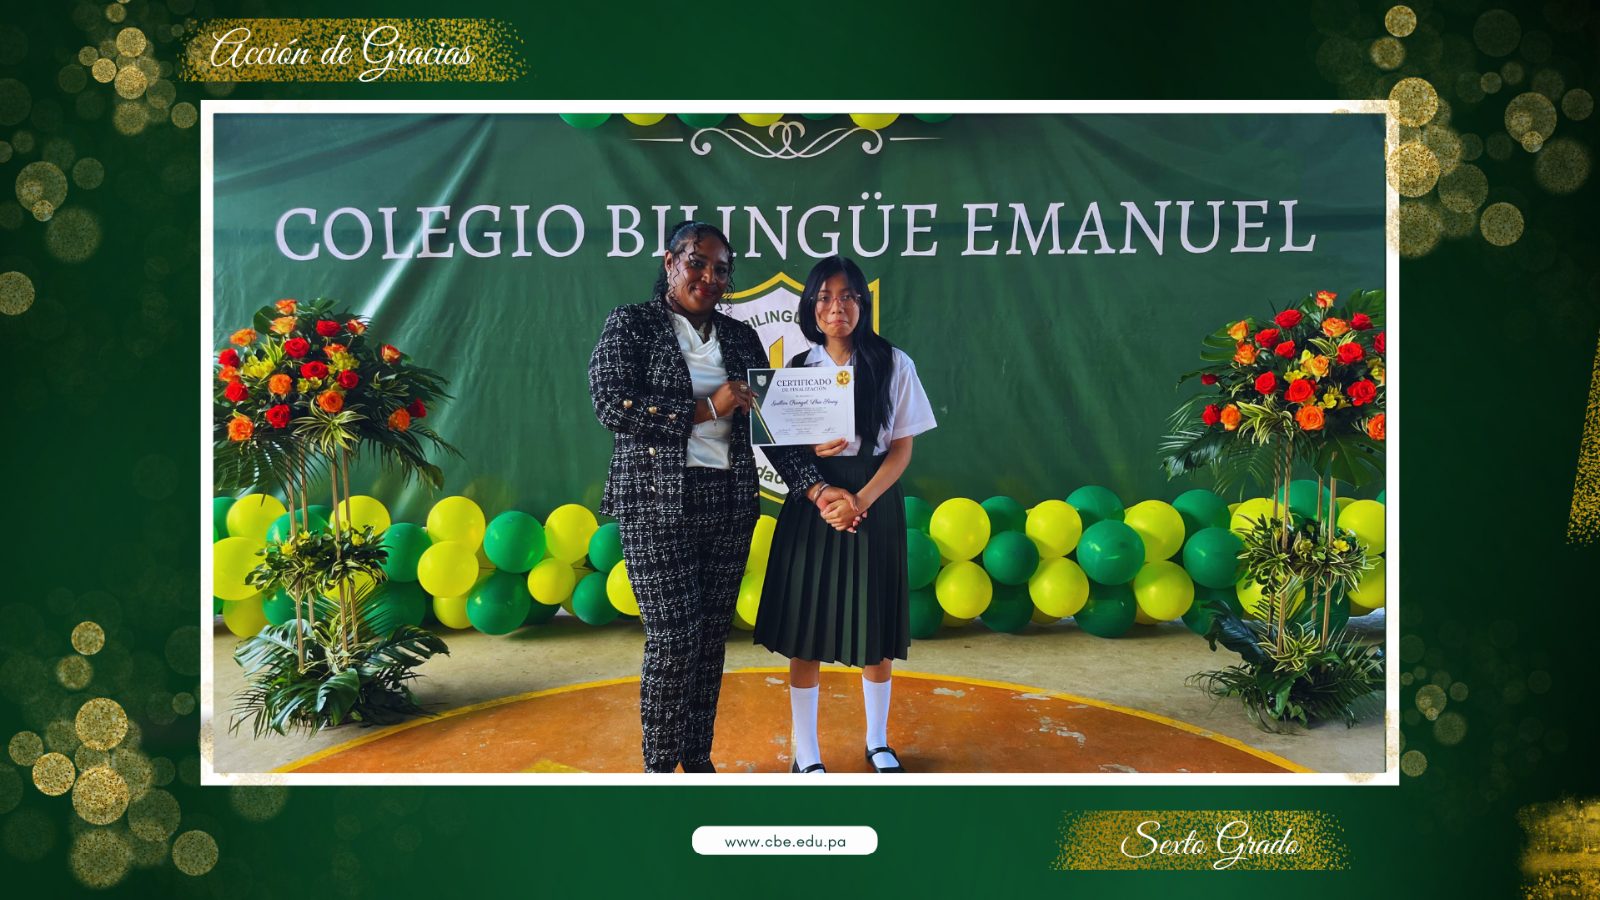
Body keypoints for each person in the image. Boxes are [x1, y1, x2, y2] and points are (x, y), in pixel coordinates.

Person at [588, 221, 852, 773]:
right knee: (674, 637)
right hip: (655, 506)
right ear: (670, 263)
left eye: (721, 269)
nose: (709, 277)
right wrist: (708, 408)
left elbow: (771, 428)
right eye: (697, 262)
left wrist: (817, 486)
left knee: (709, 641)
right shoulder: (631, 324)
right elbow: (612, 406)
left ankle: (697, 761)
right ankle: (660, 770)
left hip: (728, 506)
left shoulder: (739, 337)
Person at [752, 255, 936, 773]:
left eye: (849, 296)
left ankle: (877, 741)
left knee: (876, 627)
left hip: (872, 499)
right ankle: (805, 752)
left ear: (863, 303)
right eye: (826, 297)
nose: (837, 307)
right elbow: (778, 446)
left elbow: (902, 449)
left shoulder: (895, 363)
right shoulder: (795, 370)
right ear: (811, 306)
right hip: (814, 501)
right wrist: (817, 470)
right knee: (806, 627)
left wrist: (862, 500)